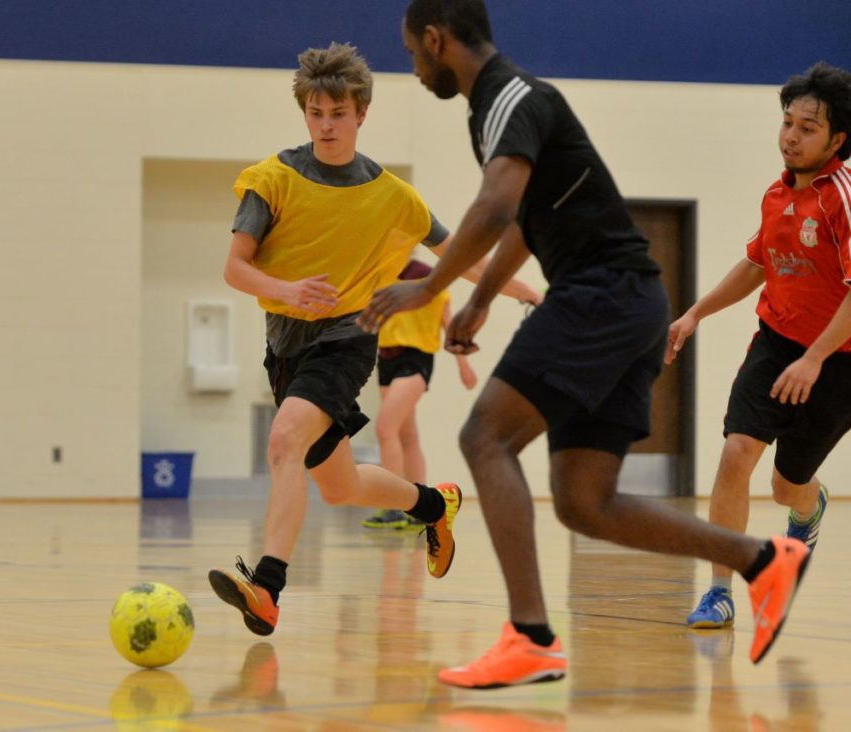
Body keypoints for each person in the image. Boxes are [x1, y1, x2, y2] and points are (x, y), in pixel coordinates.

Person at [359, 0, 811, 688]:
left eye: (414, 53)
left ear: (434, 38)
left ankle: (531, 638)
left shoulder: (512, 97)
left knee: (484, 438)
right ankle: (761, 561)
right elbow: (526, 221)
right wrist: (479, 300)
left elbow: (496, 206)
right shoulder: (500, 109)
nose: (415, 68)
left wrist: (428, 288)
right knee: (582, 501)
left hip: (602, 293)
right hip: (628, 303)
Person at [207, 42, 467, 637]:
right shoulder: (272, 180)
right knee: (342, 486)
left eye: (339, 114)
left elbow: (457, 255)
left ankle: (267, 589)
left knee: (282, 443)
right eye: (316, 113)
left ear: (361, 114)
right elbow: (235, 269)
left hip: (347, 339)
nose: (326, 125)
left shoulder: (390, 195)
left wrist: (520, 291)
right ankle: (435, 505)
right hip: (286, 346)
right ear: (304, 112)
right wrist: (287, 288)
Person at [668, 62, 851, 630]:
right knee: (735, 454)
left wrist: (815, 357)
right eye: (787, 123)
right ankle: (720, 591)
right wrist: (697, 312)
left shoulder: (842, 198)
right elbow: (756, 263)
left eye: (807, 128)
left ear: (837, 140)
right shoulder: (777, 193)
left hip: (837, 363)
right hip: (774, 345)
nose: (791, 136)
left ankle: (808, 509)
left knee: (786, 486)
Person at [362, 258, 540, 529]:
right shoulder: (378, 276)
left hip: (415, 359)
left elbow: (448, 326)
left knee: (386, 428)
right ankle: (420, 507)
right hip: (386, 358)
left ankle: (393, 507)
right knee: (407, 435)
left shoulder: (428, 280)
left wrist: (463, 365)